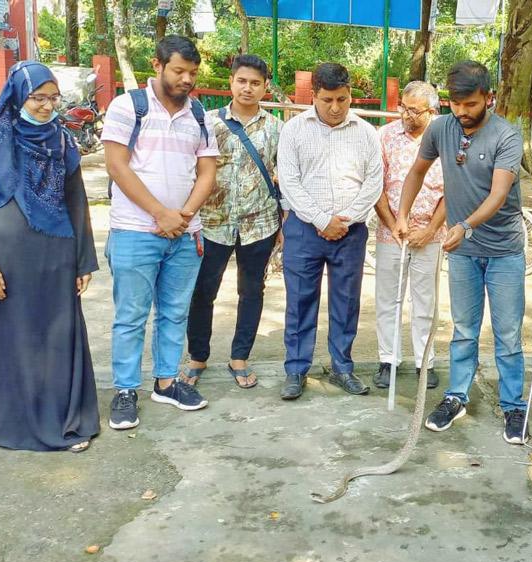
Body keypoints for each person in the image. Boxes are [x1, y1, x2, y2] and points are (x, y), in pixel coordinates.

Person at [0, 62, 99, 451]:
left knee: (55, 338)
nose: (45, 106)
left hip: (54, 257)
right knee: (9, 338)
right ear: (19, 95)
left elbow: (76, 200)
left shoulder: (62, 140)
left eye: (53, 98)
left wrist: (84, 259)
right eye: (38, 97)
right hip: (3, 262)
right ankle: (0, 423)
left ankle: (60, 421)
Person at [395, 60, 529, 444]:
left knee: (507, 334)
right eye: (455, 103)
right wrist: (403, 214)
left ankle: (514, 406)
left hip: (503, 251)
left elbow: (499, 194)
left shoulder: (507, 135)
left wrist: (465, 226)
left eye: (470, 104)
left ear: (489, 98)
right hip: (464, 254)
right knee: (464, 330)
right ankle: (456, 396)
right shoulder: (440, 128)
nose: (462, 111)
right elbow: (417, 172)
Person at [102, 35, 218, 430]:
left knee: (174, 312)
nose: (187, 79)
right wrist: (159, 213)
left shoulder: (200, 115)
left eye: (193, 73)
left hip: (186, 234)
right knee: (131, 315)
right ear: (157, 65)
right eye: (179, 71)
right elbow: (118, 167)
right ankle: (125, 391)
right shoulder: (127, 107)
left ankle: (166, 382)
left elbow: (207, 173)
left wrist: (183, 215)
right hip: (135, 230)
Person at [277, 63, 383, 400]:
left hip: (350, 233)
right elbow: (290, 182)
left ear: (350, 94)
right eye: (327, 100)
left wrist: (345, 219)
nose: (335, 108)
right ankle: (296, 370)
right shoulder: (293, 131)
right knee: (300, 300)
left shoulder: (367, 133)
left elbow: (374, 182)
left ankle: (342, 367)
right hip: (304, 230)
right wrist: (322, 220)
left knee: (346, 301)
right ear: (313, 97)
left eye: (342, 99)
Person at [184, 54, 282, 389]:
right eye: (242, 81)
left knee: (252, 290)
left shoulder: (275, 128)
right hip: (212, 222)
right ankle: (198, 356)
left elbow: (283, 176)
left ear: (265, 87)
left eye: (255, 83)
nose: (248, 88)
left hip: (260, 223)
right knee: (202, 291)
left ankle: (240, 356)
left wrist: (282, 222)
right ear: (231, 82)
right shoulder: (208, 123)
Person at [373, 81, 446, 390]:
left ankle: (424, 362)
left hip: (430, 233)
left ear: (432, 111)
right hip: (392, 232)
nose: (405, 114)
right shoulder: (385, 136)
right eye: (403, 107)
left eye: (413, 111)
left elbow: (453, 191)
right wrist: (393, 223)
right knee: (388, 298)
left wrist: (429, 230)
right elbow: (375, 187)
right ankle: (387, 360)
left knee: (425, 301)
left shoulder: (447, 138)